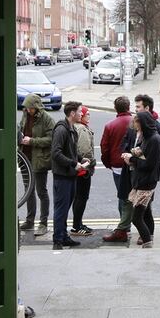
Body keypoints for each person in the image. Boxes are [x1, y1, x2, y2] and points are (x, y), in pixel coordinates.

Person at [121, 111, 160, 248]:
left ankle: (147, 242)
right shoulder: (146, 137)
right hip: (142, 180)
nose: (133, 124)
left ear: (143, 123)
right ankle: (148, 238)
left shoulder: (154, 140)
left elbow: (149, 164)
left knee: (136, 217)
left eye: (136, 121)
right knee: (146, 213)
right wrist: (134, 153)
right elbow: (144, 154)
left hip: (147, 182)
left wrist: (132, 159)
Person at [49, 101, 88, 249]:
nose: (81, 113)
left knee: (65, 208)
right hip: (62, 176)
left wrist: (80, 158)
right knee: (61, 208)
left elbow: (70, 150)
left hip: (70, 175)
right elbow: (56, 153)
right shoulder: (61, 129)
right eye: (79, 111)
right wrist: (74, 163)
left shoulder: (71, 128)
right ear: (72, 113)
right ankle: (58, 240)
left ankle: (63, 236)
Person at [18, 94, 55, 235]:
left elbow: (51, 139)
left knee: (41, 191)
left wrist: (32, 141)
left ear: (37, 107)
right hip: (25, 160)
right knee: (29, 191)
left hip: (39, 160)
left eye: (31, 108)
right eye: (26, 108)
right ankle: (29, 220)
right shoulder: (25, 114)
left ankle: (43, 223)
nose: (28, 110)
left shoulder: (47, 119)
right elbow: (22, 130)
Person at [101, 97, 134, 243]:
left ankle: (124, 228)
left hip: (118, 166)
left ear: (115, 108)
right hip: (134, 165)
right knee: (135, 196)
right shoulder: (135, 122)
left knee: (122, 196)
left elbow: (104, 147)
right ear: (129, 106)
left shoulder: (110, 125)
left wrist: (108, 163)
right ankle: (126, 227)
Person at [70, 105, 96, 237]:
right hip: (83, 170)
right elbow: (85, 151)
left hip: (77, 169)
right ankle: (77, 226)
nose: (88, 116)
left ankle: (78, 224)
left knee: (77, 197)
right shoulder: (83, 130)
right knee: (82, 197)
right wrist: (90, 164)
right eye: (87, 114)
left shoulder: (75, 127)